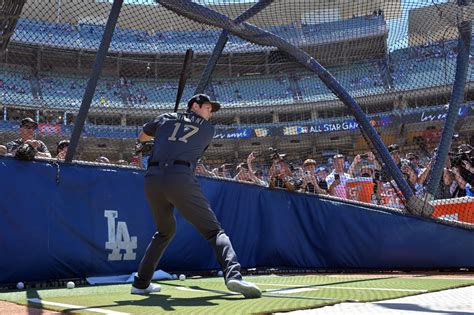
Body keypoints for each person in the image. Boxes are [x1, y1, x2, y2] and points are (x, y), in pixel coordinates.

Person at [131, 94, 261, 298]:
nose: (210, 113)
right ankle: (233, 275)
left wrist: (157, 138)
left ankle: (140, 283)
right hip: (179, 178)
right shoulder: (208, 130)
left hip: (153, 179)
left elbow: (141, 139)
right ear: (195, 105)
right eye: (208, 108)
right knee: (214, 232)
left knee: (165, 231)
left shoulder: (165, 117)